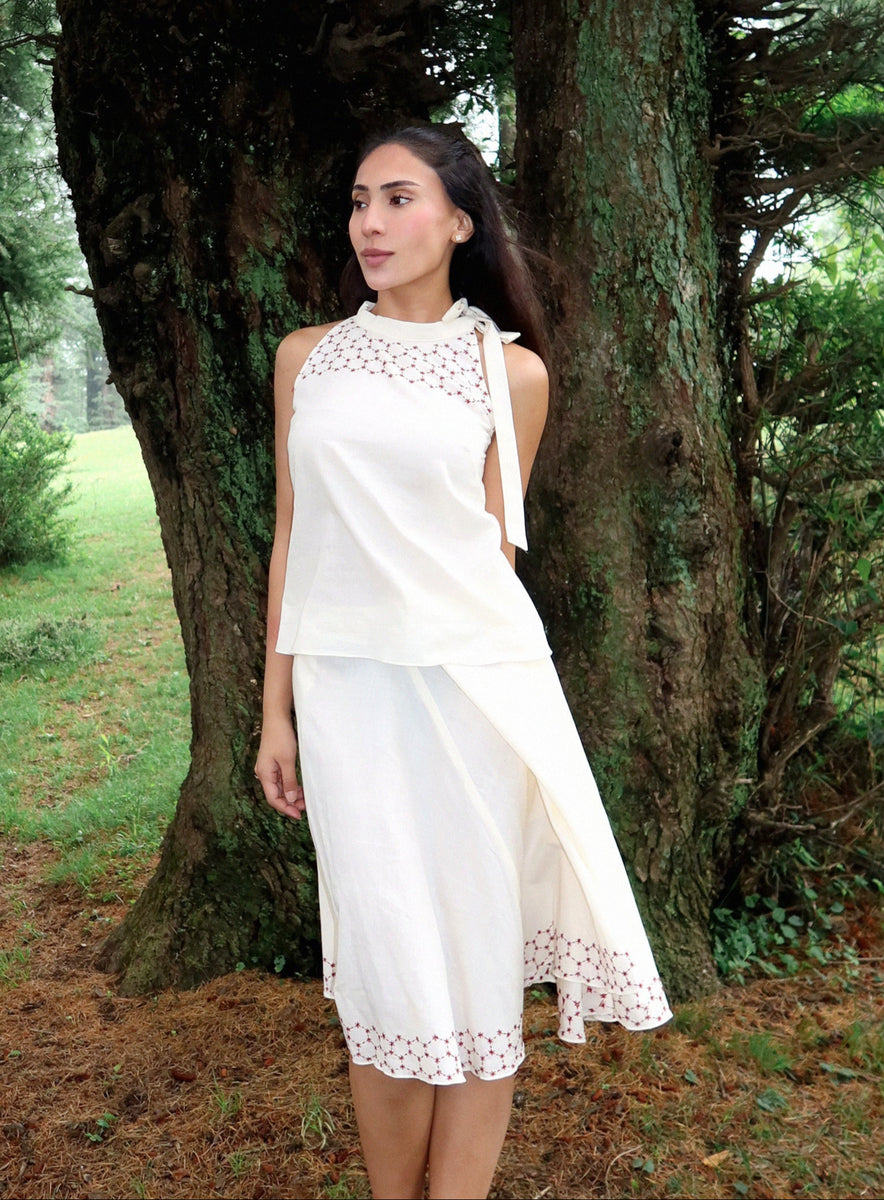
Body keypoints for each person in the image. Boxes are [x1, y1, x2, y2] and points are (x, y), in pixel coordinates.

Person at [254, 123, 671, 1200]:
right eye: (359, 201)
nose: (371, 223)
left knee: (476, 966)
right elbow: (292, 538)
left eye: (398, 199)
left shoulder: (512, 373)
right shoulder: (307, 359)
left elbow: (492, 552)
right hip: (347, 697)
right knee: (386, 972)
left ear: (459, 222)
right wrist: (276, 715)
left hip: (476, 696)